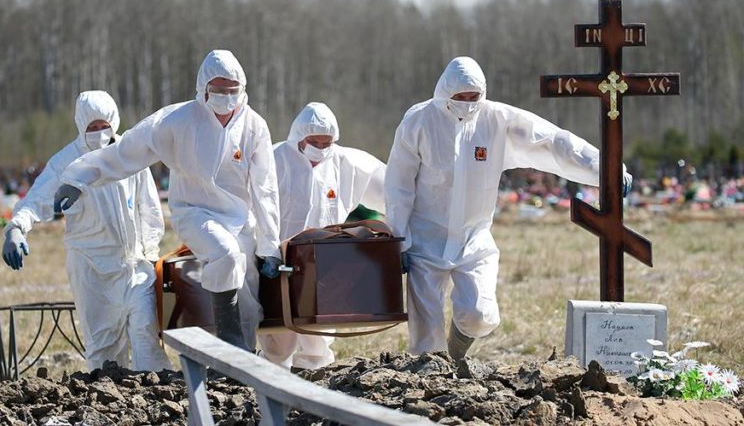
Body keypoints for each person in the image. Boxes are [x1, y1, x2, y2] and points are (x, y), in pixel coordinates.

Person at [385, 57, 633, 360]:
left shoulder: (497, 121)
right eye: (460, 97)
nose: (467, 104)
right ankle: (429, 380)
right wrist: (398, 241)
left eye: (473, 97)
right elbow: (398, 185)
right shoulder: (419, 122)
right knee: (425, 336)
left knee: (480, 315)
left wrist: (605, 169)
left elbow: (552, 141)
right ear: (444, 92)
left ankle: (456, 354)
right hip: (425, 240)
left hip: (474, 239)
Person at [53, 50, 281, 352]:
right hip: (194, 212)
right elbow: (126, 151)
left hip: (240, 218)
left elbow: (265, 189)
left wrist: (270, 246)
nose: (226, 98)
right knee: (225, 255)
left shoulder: (254, 127)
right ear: (203, 88)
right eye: (218, 90)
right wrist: (78, 178)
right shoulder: (177, 121)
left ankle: (240, 362)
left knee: (248, 296)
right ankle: (228, 339)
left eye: (232, 90)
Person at [1, 90, 170, 372]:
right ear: (81, 126)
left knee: (147, 335)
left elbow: (149, 208)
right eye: (92, 127)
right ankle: (109, 398)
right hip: (91, 272)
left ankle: (154, 395)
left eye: (104, 126)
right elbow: (36, 200)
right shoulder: (65, 162)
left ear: (114, 122)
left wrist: (151, 254)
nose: (99, 133)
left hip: (134, 266)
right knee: (104, 352)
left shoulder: (129, 154)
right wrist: (16, 228)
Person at [258, 102, 386, 371]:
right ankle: (271, 380)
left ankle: (315, 381)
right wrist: (265, 251)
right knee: (278, 339)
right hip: (277, 261)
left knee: (318, 334)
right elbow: (249, 204)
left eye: (326, 143)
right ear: (298, 137)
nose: (320, 148)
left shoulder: (347, 163)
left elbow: (393, 192)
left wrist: (403, 237)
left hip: (323, 263)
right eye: (313, 142)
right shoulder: (272, 159)